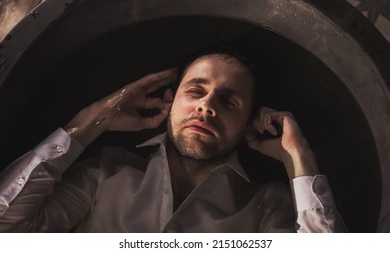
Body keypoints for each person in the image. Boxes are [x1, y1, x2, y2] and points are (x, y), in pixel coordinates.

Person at [0, 48, 345, 232]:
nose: (206, 106)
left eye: (228, 101)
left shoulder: (269, 207)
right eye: (195, 91)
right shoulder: (104, 176)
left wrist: (299, 157)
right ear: (170, 103)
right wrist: (92, 121)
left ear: (247, 124)